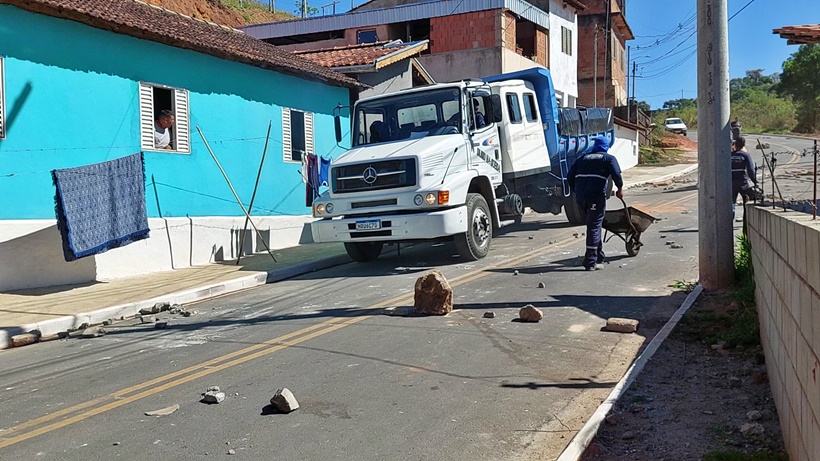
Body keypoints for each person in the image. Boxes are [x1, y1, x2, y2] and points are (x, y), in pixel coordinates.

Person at [567, 136, 624, 271]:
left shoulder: (582, 158)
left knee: (593, 225)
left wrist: (576, 191)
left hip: (580, 198)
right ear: (605, 146)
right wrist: (620, 189)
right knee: (594, 226)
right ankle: (591, 262)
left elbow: (570, 177)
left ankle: (598, 256)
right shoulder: (608, 158)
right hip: (595, 197)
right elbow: (617, 175)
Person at [730, 136, 757, 221]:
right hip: (743, 182)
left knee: (731, 203)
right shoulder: (745, 155)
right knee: (748, 201)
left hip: (731, 182)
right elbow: (750, 170)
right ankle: (747, 220)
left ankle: (728, 222)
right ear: (743, 145)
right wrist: (755, 181)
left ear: (735, 144)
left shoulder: (729, 155)